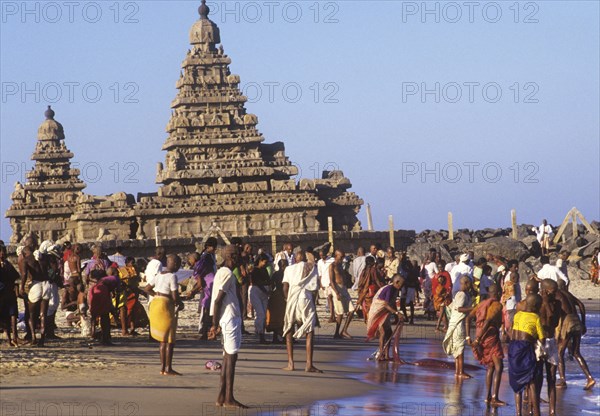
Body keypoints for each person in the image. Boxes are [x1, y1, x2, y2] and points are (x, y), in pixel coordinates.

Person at [210, 245, 247, 408]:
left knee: (227, 357)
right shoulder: (226, 273)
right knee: (231, 357)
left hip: (228, 318)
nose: (241, 258)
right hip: (229, 318)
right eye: (238, 255)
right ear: (232, 257)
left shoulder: (223, 273)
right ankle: (229, 398)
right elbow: (218, 300)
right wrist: (214, 324)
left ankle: (221, 396)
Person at [282, 248, 322, 373]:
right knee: (309, 331)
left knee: (289, 328)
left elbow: (285, 287)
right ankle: (309, 364)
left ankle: (290, 363)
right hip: (306, 298)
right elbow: (315, 288)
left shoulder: (289, 269)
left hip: (292, 298)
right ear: (304, 259)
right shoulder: (311, 267)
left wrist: (287, 300)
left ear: (295, 259)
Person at [466, 284, 505, 407]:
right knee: (499, 366)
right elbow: (488, 321)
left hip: (480, 335)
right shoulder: (497, 305)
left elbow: (468, 318)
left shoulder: (482, 304)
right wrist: (477, 339)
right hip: (489, 336)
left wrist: (469, 337)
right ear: (498, 293)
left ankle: (487, 396)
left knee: (491, 366)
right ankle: (495, 397)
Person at [145, 254, 184, 375]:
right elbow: (174, 296)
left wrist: (156, 294)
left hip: (156, 304)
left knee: (162, 339)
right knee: (170, 339)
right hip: (165, 306)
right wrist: (180, 303)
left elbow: (146, 288)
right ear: (176, 265)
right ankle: (168, 368)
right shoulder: (172, 277)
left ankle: (162, 368)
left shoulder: (158, 275)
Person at [555, 280, 596, 390]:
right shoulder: (568, 294)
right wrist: (583, 322)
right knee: (576, 352)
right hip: (576, 320)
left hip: (568, 322)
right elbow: (581, 305)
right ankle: (590, 378)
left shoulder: (557, 294)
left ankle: (563, 380)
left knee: (559, 352)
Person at [508, 294, 545, 416]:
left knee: (516, 380)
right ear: (535, 306)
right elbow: (542, 338)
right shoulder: (535, 317)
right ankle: (536, 412)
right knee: (532, 380)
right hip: (525, 349)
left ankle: (518, 412)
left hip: (513, 348)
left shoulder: (518, 314)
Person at [366, 275, 404, 362]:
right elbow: (385, 304)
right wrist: (396, 313)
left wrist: (396, 315)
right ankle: (381, 354)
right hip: (379, 310)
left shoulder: (395, 290)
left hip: (385, 312)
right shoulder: (389, 289)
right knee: (383, 332)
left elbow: (392, 303)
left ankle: (387, 355)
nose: (401, 286)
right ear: (396, 282)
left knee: (389, 333)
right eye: (401, 284)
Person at [442, 275, 474, 379]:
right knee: (460, 348)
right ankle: (460, 371)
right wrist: (472, 308)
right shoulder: (462, 295)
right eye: (461, 283)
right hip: (458, 324)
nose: (461, 285)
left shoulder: (463, 294)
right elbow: (459, 309)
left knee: (458, 348)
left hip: (457, 322)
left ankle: (458, 371)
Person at [539, 279, 562, 415]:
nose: (556, 294)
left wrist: (547, 303)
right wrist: (544, 302)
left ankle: (552, 410)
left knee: (552, 376)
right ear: (546, 291)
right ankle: (533, 406)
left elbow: (553, 321)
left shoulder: (557, 303)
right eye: (553, 292)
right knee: (536, 375)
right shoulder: (536, 302)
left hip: (551, 340)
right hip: (539, 342)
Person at [88, 268, 120, 345]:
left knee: (95, 314)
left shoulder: (102, 281)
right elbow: (118, 292)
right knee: (105, 316)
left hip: (94, 291)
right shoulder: (116, 279)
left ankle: (94, 333)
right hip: (102, 291)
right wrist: (114, 309)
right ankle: (105, 338)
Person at [329, 249, 355, 339]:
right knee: (340, 312)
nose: (342, 258)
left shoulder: (340, 265)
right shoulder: (332, 266)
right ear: (336, 256)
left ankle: (344, 330)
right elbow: (332, 281)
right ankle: (336, 333)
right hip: (337, 288)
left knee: (352, 310)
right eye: (341, 256)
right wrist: (336, 292)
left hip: (343, 288)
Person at [0, 244, 20, 347]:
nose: (2, 254)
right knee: (4, 317)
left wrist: (16, 289)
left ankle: (14, 338)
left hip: (9, 294)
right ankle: (9, 338)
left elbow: (16, 277)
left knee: (12, 315)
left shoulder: (7, 264)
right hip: (2, 294)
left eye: (3, 252)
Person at [249, 253, 271, 344]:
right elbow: (257, 283)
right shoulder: (255, 270)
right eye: (264, 262)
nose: (265, 264)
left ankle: (260, 332)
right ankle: (261, 334)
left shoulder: (265, 270)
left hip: (264, 293)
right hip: (257, 292)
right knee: (261, 314)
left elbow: (268, 280)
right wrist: (266, 290)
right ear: (260, 261)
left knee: (263, 315)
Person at [356, 256, 384, 322]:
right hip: (371, 291)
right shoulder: (373, 270)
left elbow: (360, 282)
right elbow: (376, 280)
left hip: (364, 292)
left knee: (366, 307)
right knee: (371, 307)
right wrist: (382, 287)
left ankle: (368, 319)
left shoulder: (364, 270)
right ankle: (370, 320)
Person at [266, 259, 287, 344]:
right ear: (282, 266)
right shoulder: (284, 274)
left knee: (276, 318)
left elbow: (271, 284)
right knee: (283, 318)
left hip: (276, 296)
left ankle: (276, 337)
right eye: (285, 265)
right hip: (282, 296)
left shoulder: (275, 274)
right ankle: (285, 337)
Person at [317, 248, 335, 323]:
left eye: (323, 255)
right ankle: (332, 314)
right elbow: (319, 273)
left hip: (332, 282)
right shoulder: (319, 262)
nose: (322, 257)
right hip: (324, 283)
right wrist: (321, 284)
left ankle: (333, 314)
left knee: (331, 298)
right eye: (320, 256)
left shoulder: (332, 260)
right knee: (329, 298)